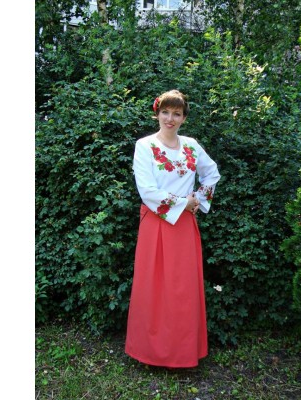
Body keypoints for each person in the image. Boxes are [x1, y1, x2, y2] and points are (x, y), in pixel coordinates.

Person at [125, 90, 221, 368]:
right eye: (165, 112)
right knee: (153, 289)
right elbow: (147, 190)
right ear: (157, 113)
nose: (170, 118)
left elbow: (212, 172)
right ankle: (150, 352)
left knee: (182, 290)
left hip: (184, 227)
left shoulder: (191, 145)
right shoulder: (144, 146)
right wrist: (183, 201)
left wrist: (198, 200)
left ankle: (183, 352)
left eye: (176, 113)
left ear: (184, 118)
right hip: (156, 224)